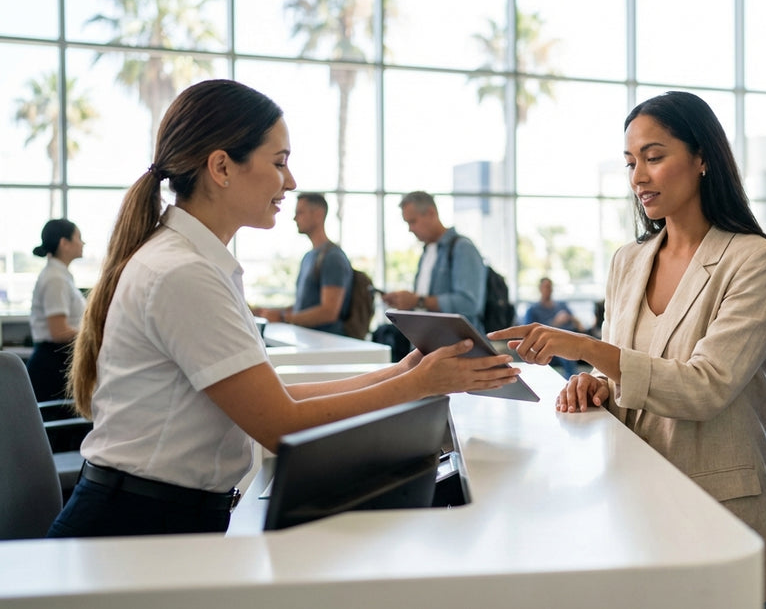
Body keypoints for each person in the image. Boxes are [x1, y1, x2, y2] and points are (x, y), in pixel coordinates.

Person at [46, 79, 518, 539]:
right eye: (279, 163)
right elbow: (281, 425)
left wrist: (404, 373)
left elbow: (278, 399)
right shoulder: (182, 273)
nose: (290, 182)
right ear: (222, 167)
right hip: (136, 528)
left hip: (155, 517)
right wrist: (419, 384)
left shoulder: (191, 262)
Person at [489, 91, 766, 608]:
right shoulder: (629, 261)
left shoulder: (755, 261)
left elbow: (705, 387)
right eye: (631, 162)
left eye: (654, 156)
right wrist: (593, 383)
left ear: (702, 158)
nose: (638, 177)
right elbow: (626, 371)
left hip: (716, 511)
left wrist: (582, 348)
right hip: (630, 504)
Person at [382, 191, 487, 332]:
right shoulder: (427, 252)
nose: (410, 229)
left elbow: (469, 304)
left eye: (413, 221)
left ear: (431, 213)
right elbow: (426, 306)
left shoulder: (462, 248)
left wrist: (417, 301)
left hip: (457, 347)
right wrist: (403, 301)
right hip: (428, 344)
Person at [253, 193, 352, 334]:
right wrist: (274, 313)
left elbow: (329, 312)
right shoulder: (309, 256)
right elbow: (304, 306)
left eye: (300, 212)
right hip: (307, 342)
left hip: (326, 346)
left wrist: (283, 318)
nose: (295, 218)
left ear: (318, 214)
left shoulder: (333, 257)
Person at [27, 219, 87, 402]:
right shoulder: (55, 278)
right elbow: (59, 332)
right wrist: (94, 334)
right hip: (52, 365)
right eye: (78, 237)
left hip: (55, 362)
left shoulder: (60, 275)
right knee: (62, 428)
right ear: (64, 243)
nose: (83, 243)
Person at [523, 277, 582, 377]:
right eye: (546, 287)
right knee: (564, 352)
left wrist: (572, 319)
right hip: (549, 345)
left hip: (569, 339)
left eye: (550, 287)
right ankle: (572, 381)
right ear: (540, 288)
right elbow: (530, 334)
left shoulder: (561, 305)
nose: (548, 290)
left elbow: (579, 325)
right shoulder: (532, 310)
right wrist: (555, 322)